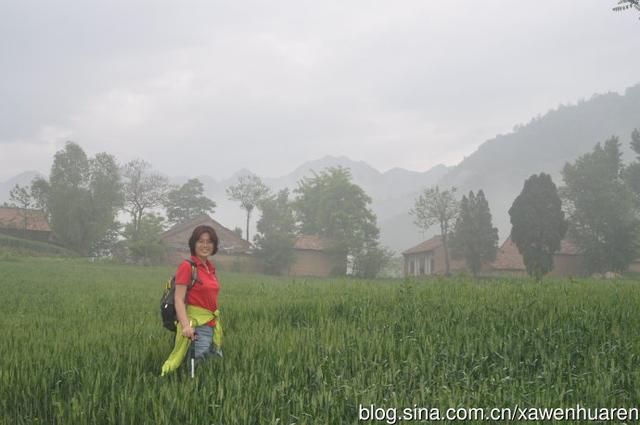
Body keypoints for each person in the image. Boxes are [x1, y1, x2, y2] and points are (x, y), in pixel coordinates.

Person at [161, 225, 222, 375]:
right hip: (196, 325)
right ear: (193, 244)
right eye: (201, 241)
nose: (205, 245)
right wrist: (186, 325)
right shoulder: (187, 267)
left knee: (211, 365)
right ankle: (187, 393)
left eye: (209, 242)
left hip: (211, 324)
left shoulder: (210, 268)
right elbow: (179, 299)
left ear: (214, 245)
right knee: (197, 367)